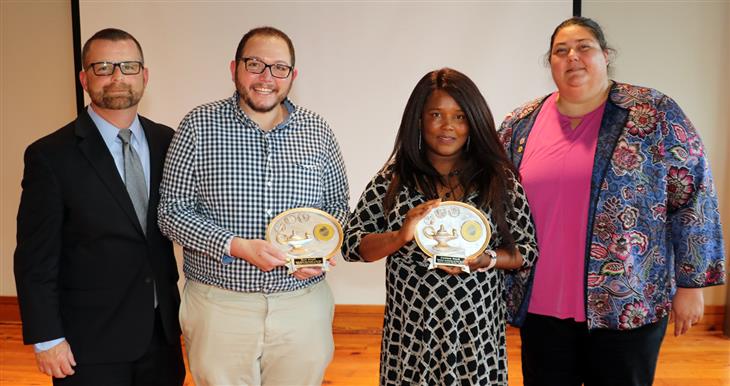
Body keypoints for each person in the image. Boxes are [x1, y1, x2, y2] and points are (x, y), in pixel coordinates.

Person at [499, 16, 727, 386]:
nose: (573, 56)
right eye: (561, 51)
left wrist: (691, 286)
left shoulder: (654, 114)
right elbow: (491, 195)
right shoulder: (519, 124)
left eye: (584, 47)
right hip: (541, 306)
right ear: (550, 63)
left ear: (605, 55)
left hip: (627, 304)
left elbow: (693, 197)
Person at [157, 26, 349, 386]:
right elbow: (171, 211)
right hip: (220, 304)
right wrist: (236, 246)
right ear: (234, 68)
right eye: (255, 64)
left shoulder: (318, 131)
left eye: (279, 68)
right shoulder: (198, 126)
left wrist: (320, 251)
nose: (266, 77)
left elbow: (337, 206)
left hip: (302, 302)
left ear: (292, 76)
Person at [342, 68, 538, 385]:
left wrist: (486, 259)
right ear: (418, 119)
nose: (448, 126)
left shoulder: (498, 179)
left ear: (473, 122)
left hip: (476, 340)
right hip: (410, 341)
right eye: (436, 114)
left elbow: (525, 251)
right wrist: (400, 235)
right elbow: (352, 245)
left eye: (460, 117)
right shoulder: (394, 179)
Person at [13, 28, 185, 386]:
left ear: (145, 75)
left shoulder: (167, 141)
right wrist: (48, 338)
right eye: (104, 67)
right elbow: (35, 257)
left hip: (161, 334)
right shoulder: (50, 155)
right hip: (89, 343)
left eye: (129, 66)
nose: (118, 77)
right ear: (84, 78)